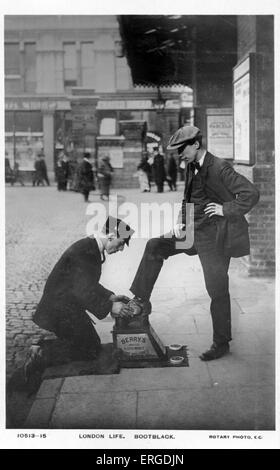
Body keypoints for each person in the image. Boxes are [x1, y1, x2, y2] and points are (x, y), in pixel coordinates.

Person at [129, 125, 260, 361]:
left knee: (217, 289)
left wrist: (225, 209)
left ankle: (221, 343)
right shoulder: (191, 166)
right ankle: (140, 299)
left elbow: (251, 193)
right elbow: (187, 198)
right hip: (191, 234)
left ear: (196, 144)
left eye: (182, 149)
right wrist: (180, 223)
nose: (179, 154)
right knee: (155, 245)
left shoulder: (220, 167)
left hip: (214, 239)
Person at [32, 216, 134, 362]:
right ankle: (40, 353)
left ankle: (40, 348)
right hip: (59, 309)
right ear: (111, 236)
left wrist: (109, 296)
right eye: (121, 243)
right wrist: (110, 306)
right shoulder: (86, 252)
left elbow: (87, 283)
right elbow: (81, 290)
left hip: (68, 304)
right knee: (88, 350)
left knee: (91, 345)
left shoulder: (90, 247)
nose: (122, 249)